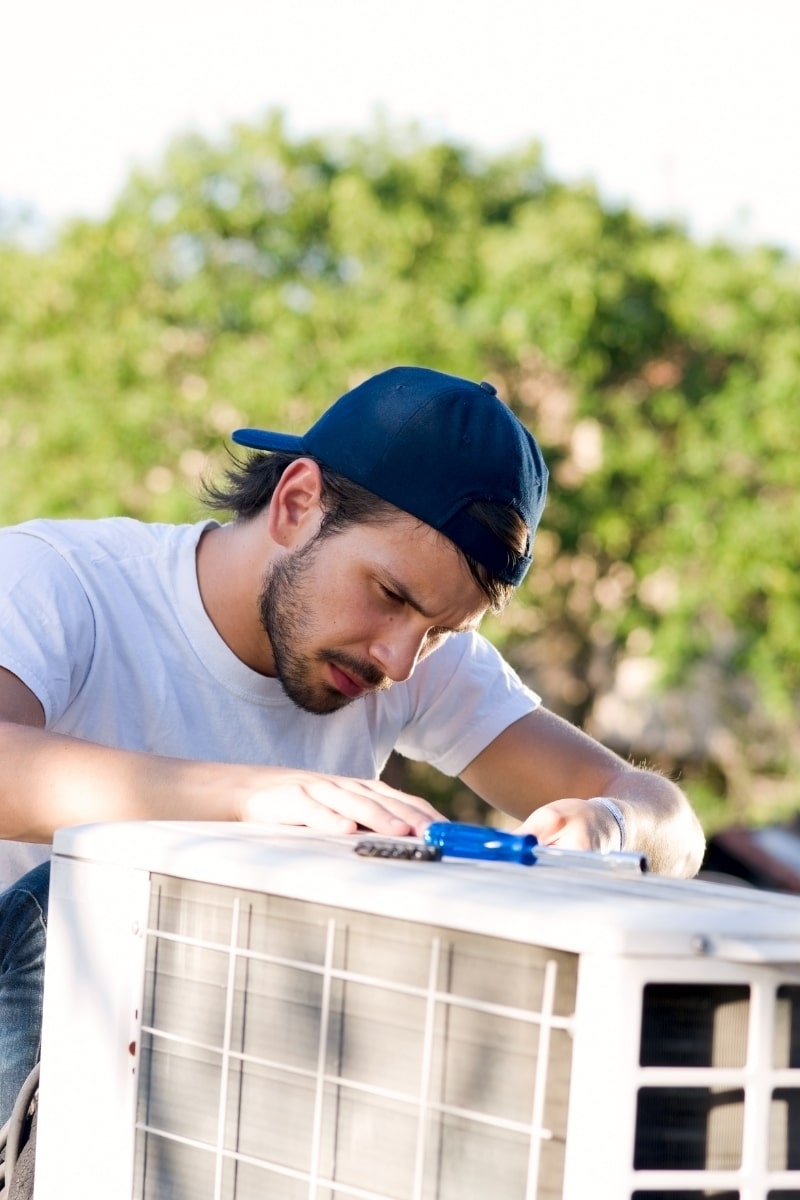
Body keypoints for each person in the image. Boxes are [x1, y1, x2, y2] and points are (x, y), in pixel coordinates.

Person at [0, 364, 705, 1125]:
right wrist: (250, 799)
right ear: (297, 503)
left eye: (441, 632)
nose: (398, 660)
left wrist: (610, 825)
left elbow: (675, 828)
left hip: (241, 1091)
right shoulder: (59, 579)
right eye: (391, 596)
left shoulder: (408, 657)